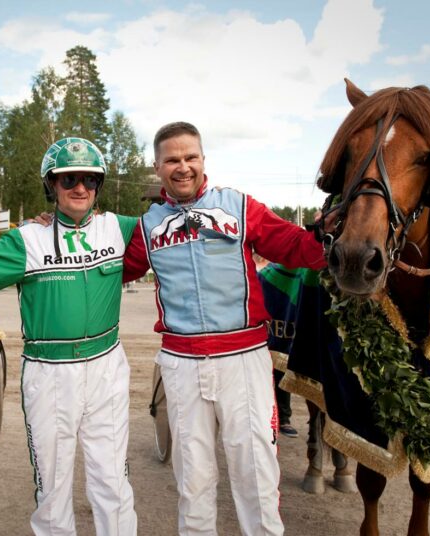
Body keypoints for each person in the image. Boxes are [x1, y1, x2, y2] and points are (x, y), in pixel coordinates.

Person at [0, 137, 138, 536]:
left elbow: (174, 232)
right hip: (50, 372)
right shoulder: (27, 239)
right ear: (51, 186)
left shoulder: (119, 228)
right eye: (68, 178)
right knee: (52, 488)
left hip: (108, 368)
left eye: (89, 179)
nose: (80, 187)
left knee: (112, 482)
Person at [123, 122, 326, 535]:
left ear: (202, 160)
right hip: (181, 364)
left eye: (190, 157)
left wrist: (338, 235)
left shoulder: (239, 206)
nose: (183, 167)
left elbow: (293, 244)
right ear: (157, 167)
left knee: (256, 474)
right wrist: (52, 228)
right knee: (193, 479)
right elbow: (108, 270)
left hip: (244, 360)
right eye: (172, 160)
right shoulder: (146, 227)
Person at [253, 254, 298, 439]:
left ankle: (284, 417)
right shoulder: (261, 270)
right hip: (265, 330)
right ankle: (274, 417)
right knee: (271, 374)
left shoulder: (280, 270)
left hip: (284, 328)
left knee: (282, 372)